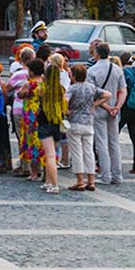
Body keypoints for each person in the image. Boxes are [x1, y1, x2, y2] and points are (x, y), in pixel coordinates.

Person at [88, 39, 126, 186]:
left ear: (96, 53)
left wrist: (107, 107)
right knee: (114, 143)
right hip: (114, 109)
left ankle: (105, 175)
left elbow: (94, 94)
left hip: (99, 109)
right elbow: (123, 90)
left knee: (101, 143)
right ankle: (117, 175)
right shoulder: (117, 69)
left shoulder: (92, 71)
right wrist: (117, 107)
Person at [32, 55, 69, 192]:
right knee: (53, 151)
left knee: (50, 155)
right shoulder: (61, 90)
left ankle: (54, 185)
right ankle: (48, 182)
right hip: (57, 122)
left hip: (44, 122)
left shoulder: (42, 89)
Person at [62, 60, 97, 191]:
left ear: (74, 76)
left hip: (75, 122)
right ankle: (91, 180)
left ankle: (80, 181)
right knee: (89, 152)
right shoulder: (91, 87)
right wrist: (95, 105)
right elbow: (106, 94)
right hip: (89, 122)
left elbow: (65, 99)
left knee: (77, 152)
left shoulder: (73, 88)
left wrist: (66, 110)